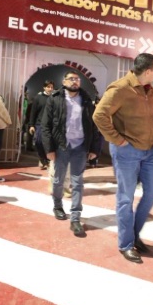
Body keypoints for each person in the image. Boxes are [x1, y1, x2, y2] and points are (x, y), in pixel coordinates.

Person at [93, 53, 153, 264]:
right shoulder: (119, 89)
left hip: (150, 151)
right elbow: (99, 115)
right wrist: (118, 140)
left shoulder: (149, 90)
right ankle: (126, 244)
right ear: (147, 71)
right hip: (127, 151)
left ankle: (134, 235)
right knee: (126, 198)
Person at [41, 71, 99, 237]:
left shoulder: (86, 99)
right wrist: (49, 149)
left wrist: (94, 148)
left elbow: (94, 126)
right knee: (58, 180)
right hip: (61, 146)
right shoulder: (55, 99)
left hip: (80, 147)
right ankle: (57, 205)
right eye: (71, 79)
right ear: (64, 81)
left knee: (77, 182)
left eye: (77, 79)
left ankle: (75, 218)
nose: (75, 82)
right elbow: (46, 126)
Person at [29, 80, 54, 169]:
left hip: (51, 124)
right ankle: (43, 159)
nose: (50, 89)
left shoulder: (54, 98)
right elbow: (33, 112)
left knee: (49, 143)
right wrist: (31, 125)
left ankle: (46, 160)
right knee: (38, 142)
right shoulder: (38, 98)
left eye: (51, 87)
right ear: (44, 87)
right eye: (48, 87)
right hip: (39, 124)